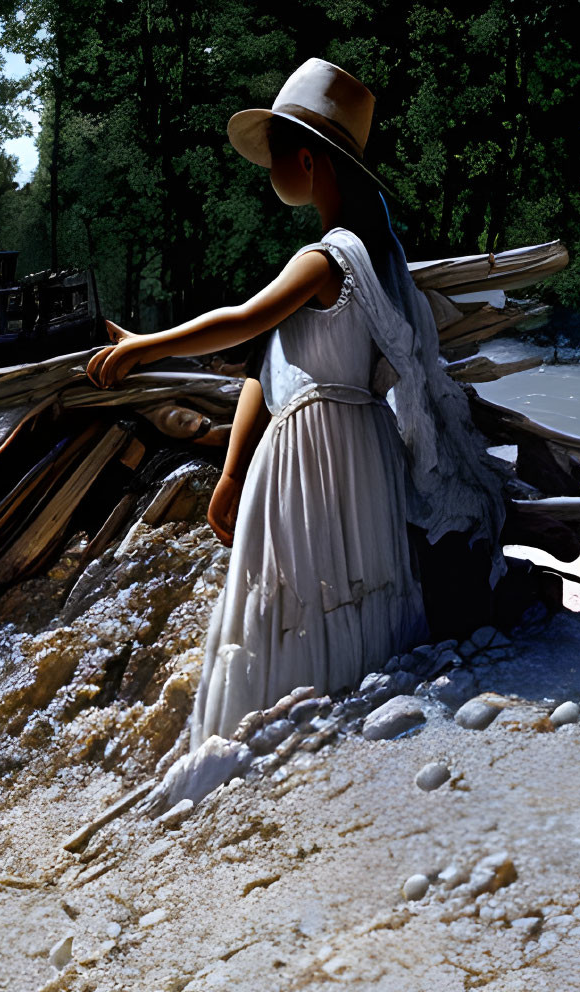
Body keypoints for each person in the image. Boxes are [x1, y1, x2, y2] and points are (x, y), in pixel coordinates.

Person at [86, 58, 508, 750]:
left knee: (300, 596)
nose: (268, 172)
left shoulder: (329, 259)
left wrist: (146, 346)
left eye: (276, 156)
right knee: (344, 590)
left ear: (308, 163)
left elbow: (243, 321)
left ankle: (296, 728)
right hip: (359, 455)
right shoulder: (373, 260)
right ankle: (327, 717)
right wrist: (229, 471)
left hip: (315, 455)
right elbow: (267, 363)